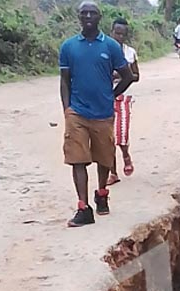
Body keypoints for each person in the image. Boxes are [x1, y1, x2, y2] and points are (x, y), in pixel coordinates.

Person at [59, 1, 134, 227]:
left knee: (104, 157)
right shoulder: (68, 47)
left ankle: (101, 194)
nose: (88, 16)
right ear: (79, 17)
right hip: (77, 113)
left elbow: (128, 76)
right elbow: (64, 80)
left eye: (93, 13)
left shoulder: (110, 46)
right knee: (77, 159)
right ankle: (83, 208)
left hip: (103, 113)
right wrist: (67, 108)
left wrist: (111, 95)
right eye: (84, 13)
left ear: (99, 17)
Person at [108, 18, 140, 186]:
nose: (118, 37)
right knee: (108, 138)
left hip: (123, 98)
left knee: (121, 134)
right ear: (111, 32)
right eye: (116, 33)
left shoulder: (129, 53)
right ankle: (112, 173)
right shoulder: (103, 51)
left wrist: (121, 75)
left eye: (122, 34)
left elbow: (136, 76)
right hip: (104, 97)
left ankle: (126, 155)